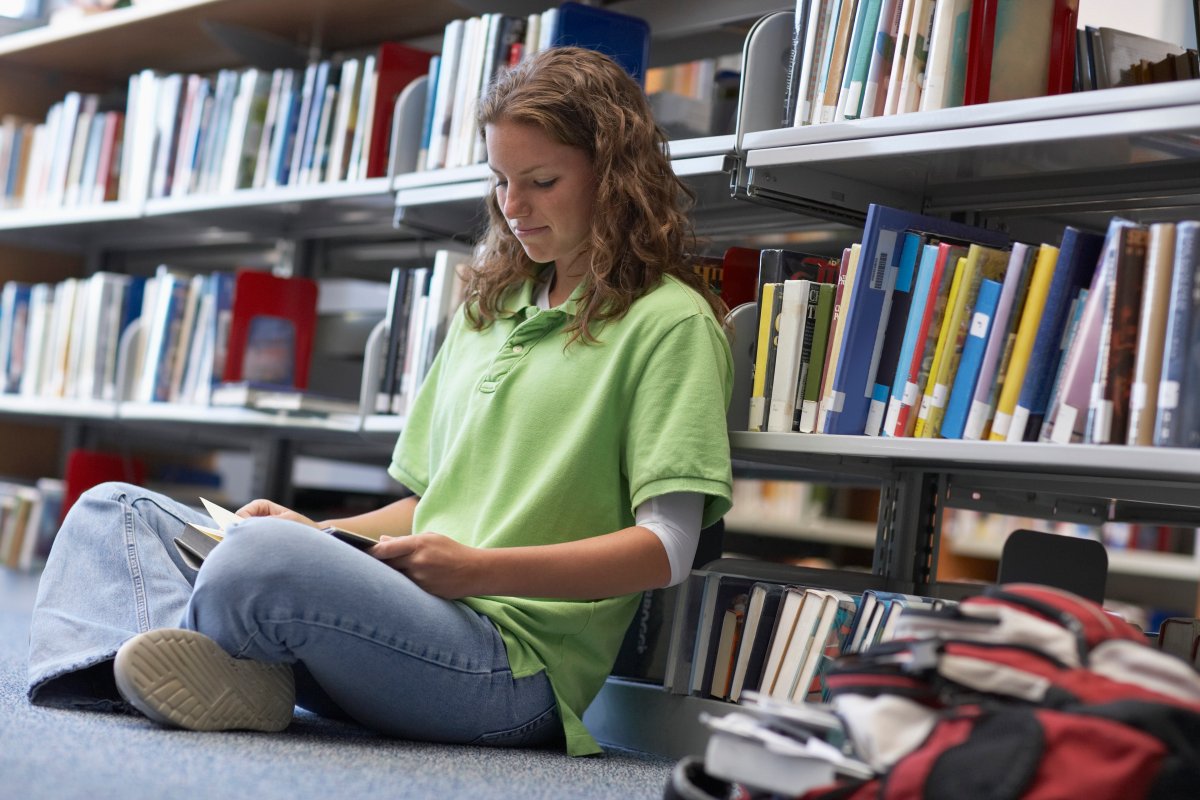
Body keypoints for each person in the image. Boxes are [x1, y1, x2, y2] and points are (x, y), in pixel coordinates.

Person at [26, 46, 733, 757]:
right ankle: (165, 672)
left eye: (541, 181)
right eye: (500, 181)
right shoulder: (489, 308)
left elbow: (667, 550)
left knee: (258, 561)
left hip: (509, 669)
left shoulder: (670, 323)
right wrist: (319, 532)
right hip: (406, 618)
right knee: (114, 511)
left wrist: (478, 570)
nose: (513, 207)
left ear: (613, 175)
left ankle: (219, 661)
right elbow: (429, 507)